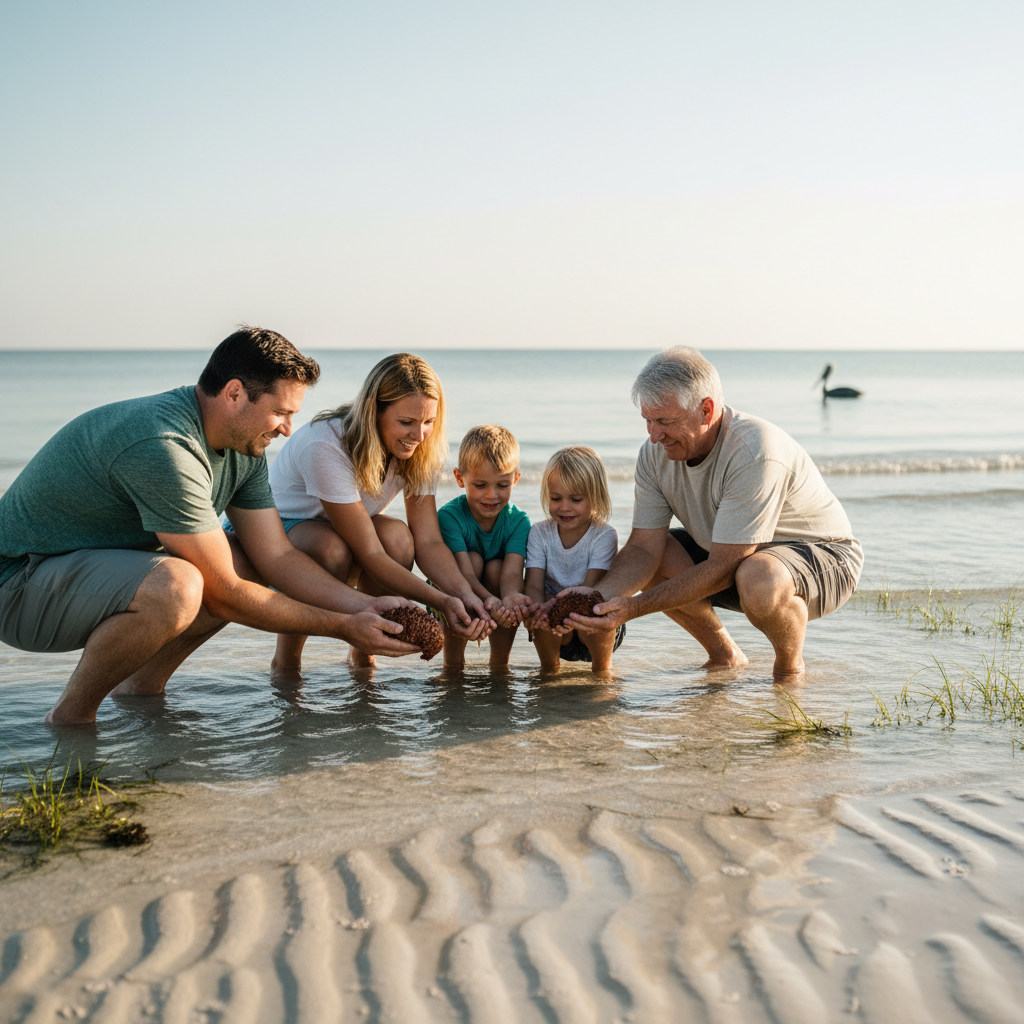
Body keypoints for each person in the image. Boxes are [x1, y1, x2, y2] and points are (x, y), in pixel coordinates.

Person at [0, 328, 420, 725]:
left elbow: (276, 556)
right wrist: (343, 627)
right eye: (279, 412)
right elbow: (224, 595)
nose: (288, 429)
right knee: (179, 585)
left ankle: (139, 689)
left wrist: (361, 607)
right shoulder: (165, 446)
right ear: (234, 393)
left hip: (77, 570)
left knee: (240, 557)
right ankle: (71, 718)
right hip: (18, 583)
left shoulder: (244, 448)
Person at [567, 347, 863, 678]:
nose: (654, 435)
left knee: (757, 577)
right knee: (660, 551)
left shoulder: (754, 450)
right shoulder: (654, 454)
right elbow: (642, 548)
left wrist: (633, 608)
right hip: (735, 557)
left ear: (706, 410)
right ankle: (725, 655)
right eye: (648, 421)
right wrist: (596, 599)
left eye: (665, 421)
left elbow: (725, 566)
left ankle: (789, 670)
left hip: (826, 557)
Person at [266, 352, 494, 675]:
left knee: (400, 539)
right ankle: (286, 660)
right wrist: (439, 603)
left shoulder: (421, 448)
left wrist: (463, 594)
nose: (418, 435)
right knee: (332, 550)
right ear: (374, 409)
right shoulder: (327, 444)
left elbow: (428, 541)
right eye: (406, 422)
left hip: (343, 524)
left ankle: (362, 653)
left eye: (428, 422)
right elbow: (370, 554)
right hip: (280, 528)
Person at [436, 425, 531, 669]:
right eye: (480, 485)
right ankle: (453, 664)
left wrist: (508, 601)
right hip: (453, 592)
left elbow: (511, 574)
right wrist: (490, 599)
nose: (491, 495)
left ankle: (500, 665)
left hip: (494, 590)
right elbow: (464, 576)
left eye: (502, 485)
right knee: (475, 560)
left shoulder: (519, 522)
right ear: (459, 478)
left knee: (497, 567)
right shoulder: (449, 517)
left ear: (516, 479)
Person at [524, 446, 624, 673]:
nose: (565, 507)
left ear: (596, 497)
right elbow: (532, 584)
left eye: (576, 499)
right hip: (558, 631)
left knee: (598, 607)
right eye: (555, 498)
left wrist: (556, 605)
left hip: (595, 625)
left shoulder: (604, 535)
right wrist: (537, 610)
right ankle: (549, 671)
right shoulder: (539, 533)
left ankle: (602, 672)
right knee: (540, 607)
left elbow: (590, 590)